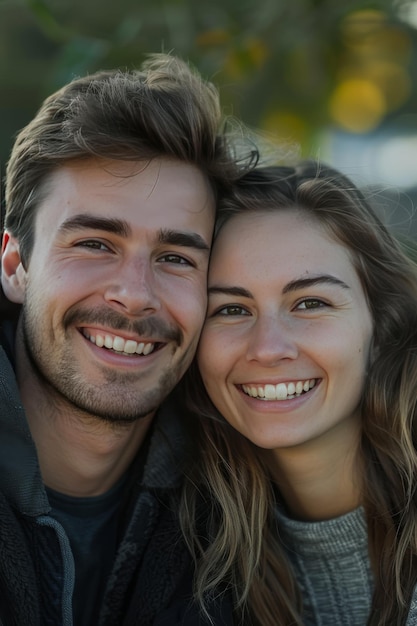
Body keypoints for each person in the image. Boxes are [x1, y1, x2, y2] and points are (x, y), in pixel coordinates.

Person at [0, 53, 248, 626]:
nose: (135, 295)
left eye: (175, 257)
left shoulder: (237, 510)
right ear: (15, 265)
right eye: (94, 244)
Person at [180, 161, 417, 625]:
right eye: (230, 309)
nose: (268, 348)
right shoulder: (182, 553)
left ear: (381, 325)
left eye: (310, 303)